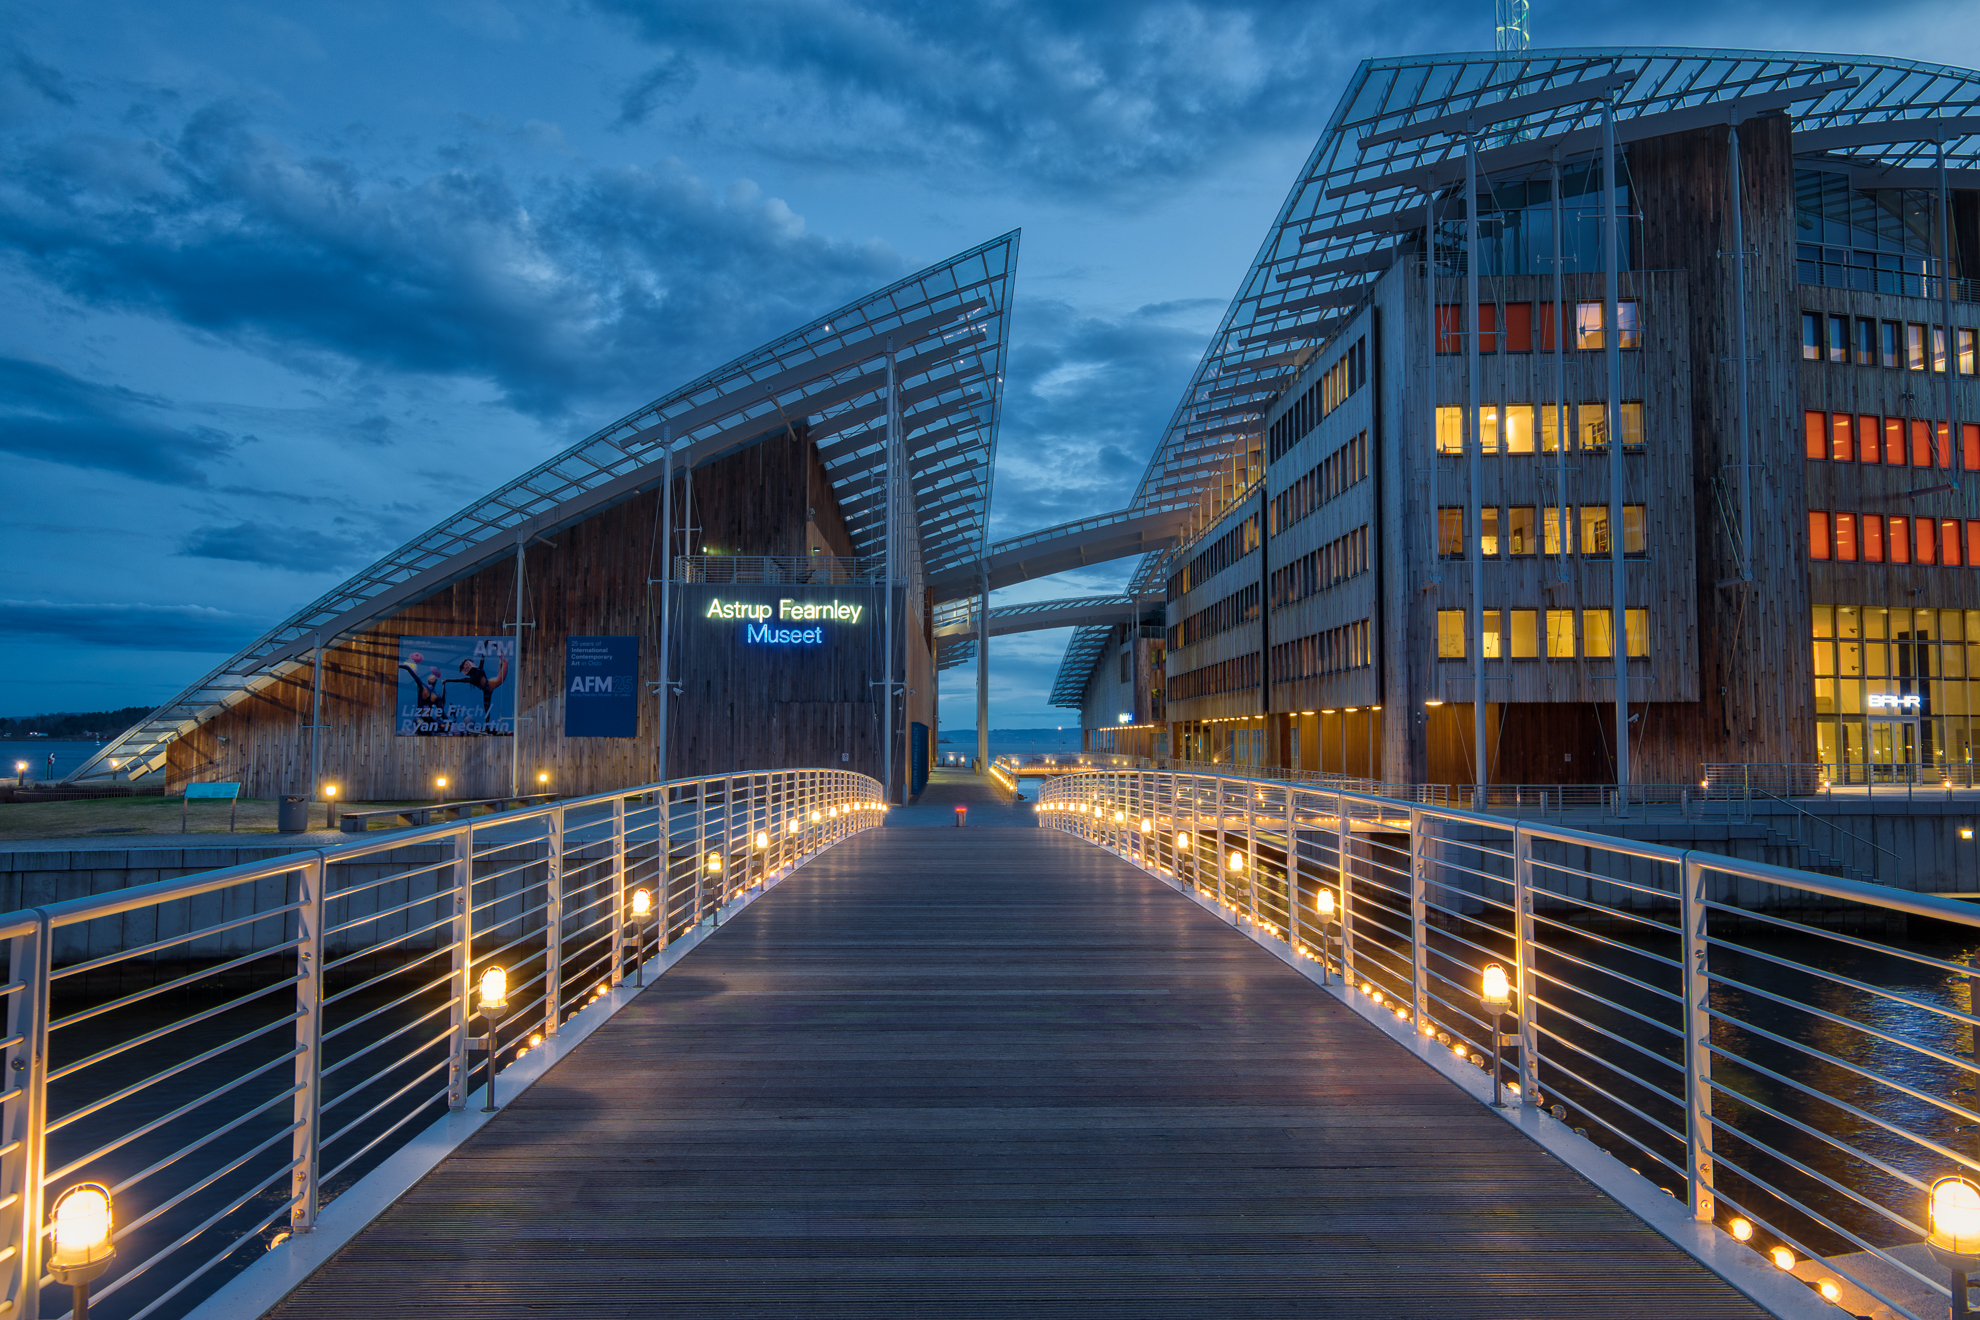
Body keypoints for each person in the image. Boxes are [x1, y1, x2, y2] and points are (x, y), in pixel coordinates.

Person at [447, 655, 510, 731]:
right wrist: (447, 680)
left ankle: (503, 660)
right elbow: (459, 680)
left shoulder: (476, 673)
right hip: (487, 687)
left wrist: (447, 680)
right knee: (486, 709)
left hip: (488, 685)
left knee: (499, 679)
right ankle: (486, 726)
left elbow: (482, 658)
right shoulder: (474, 675)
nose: (466, 667)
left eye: (466, 665)